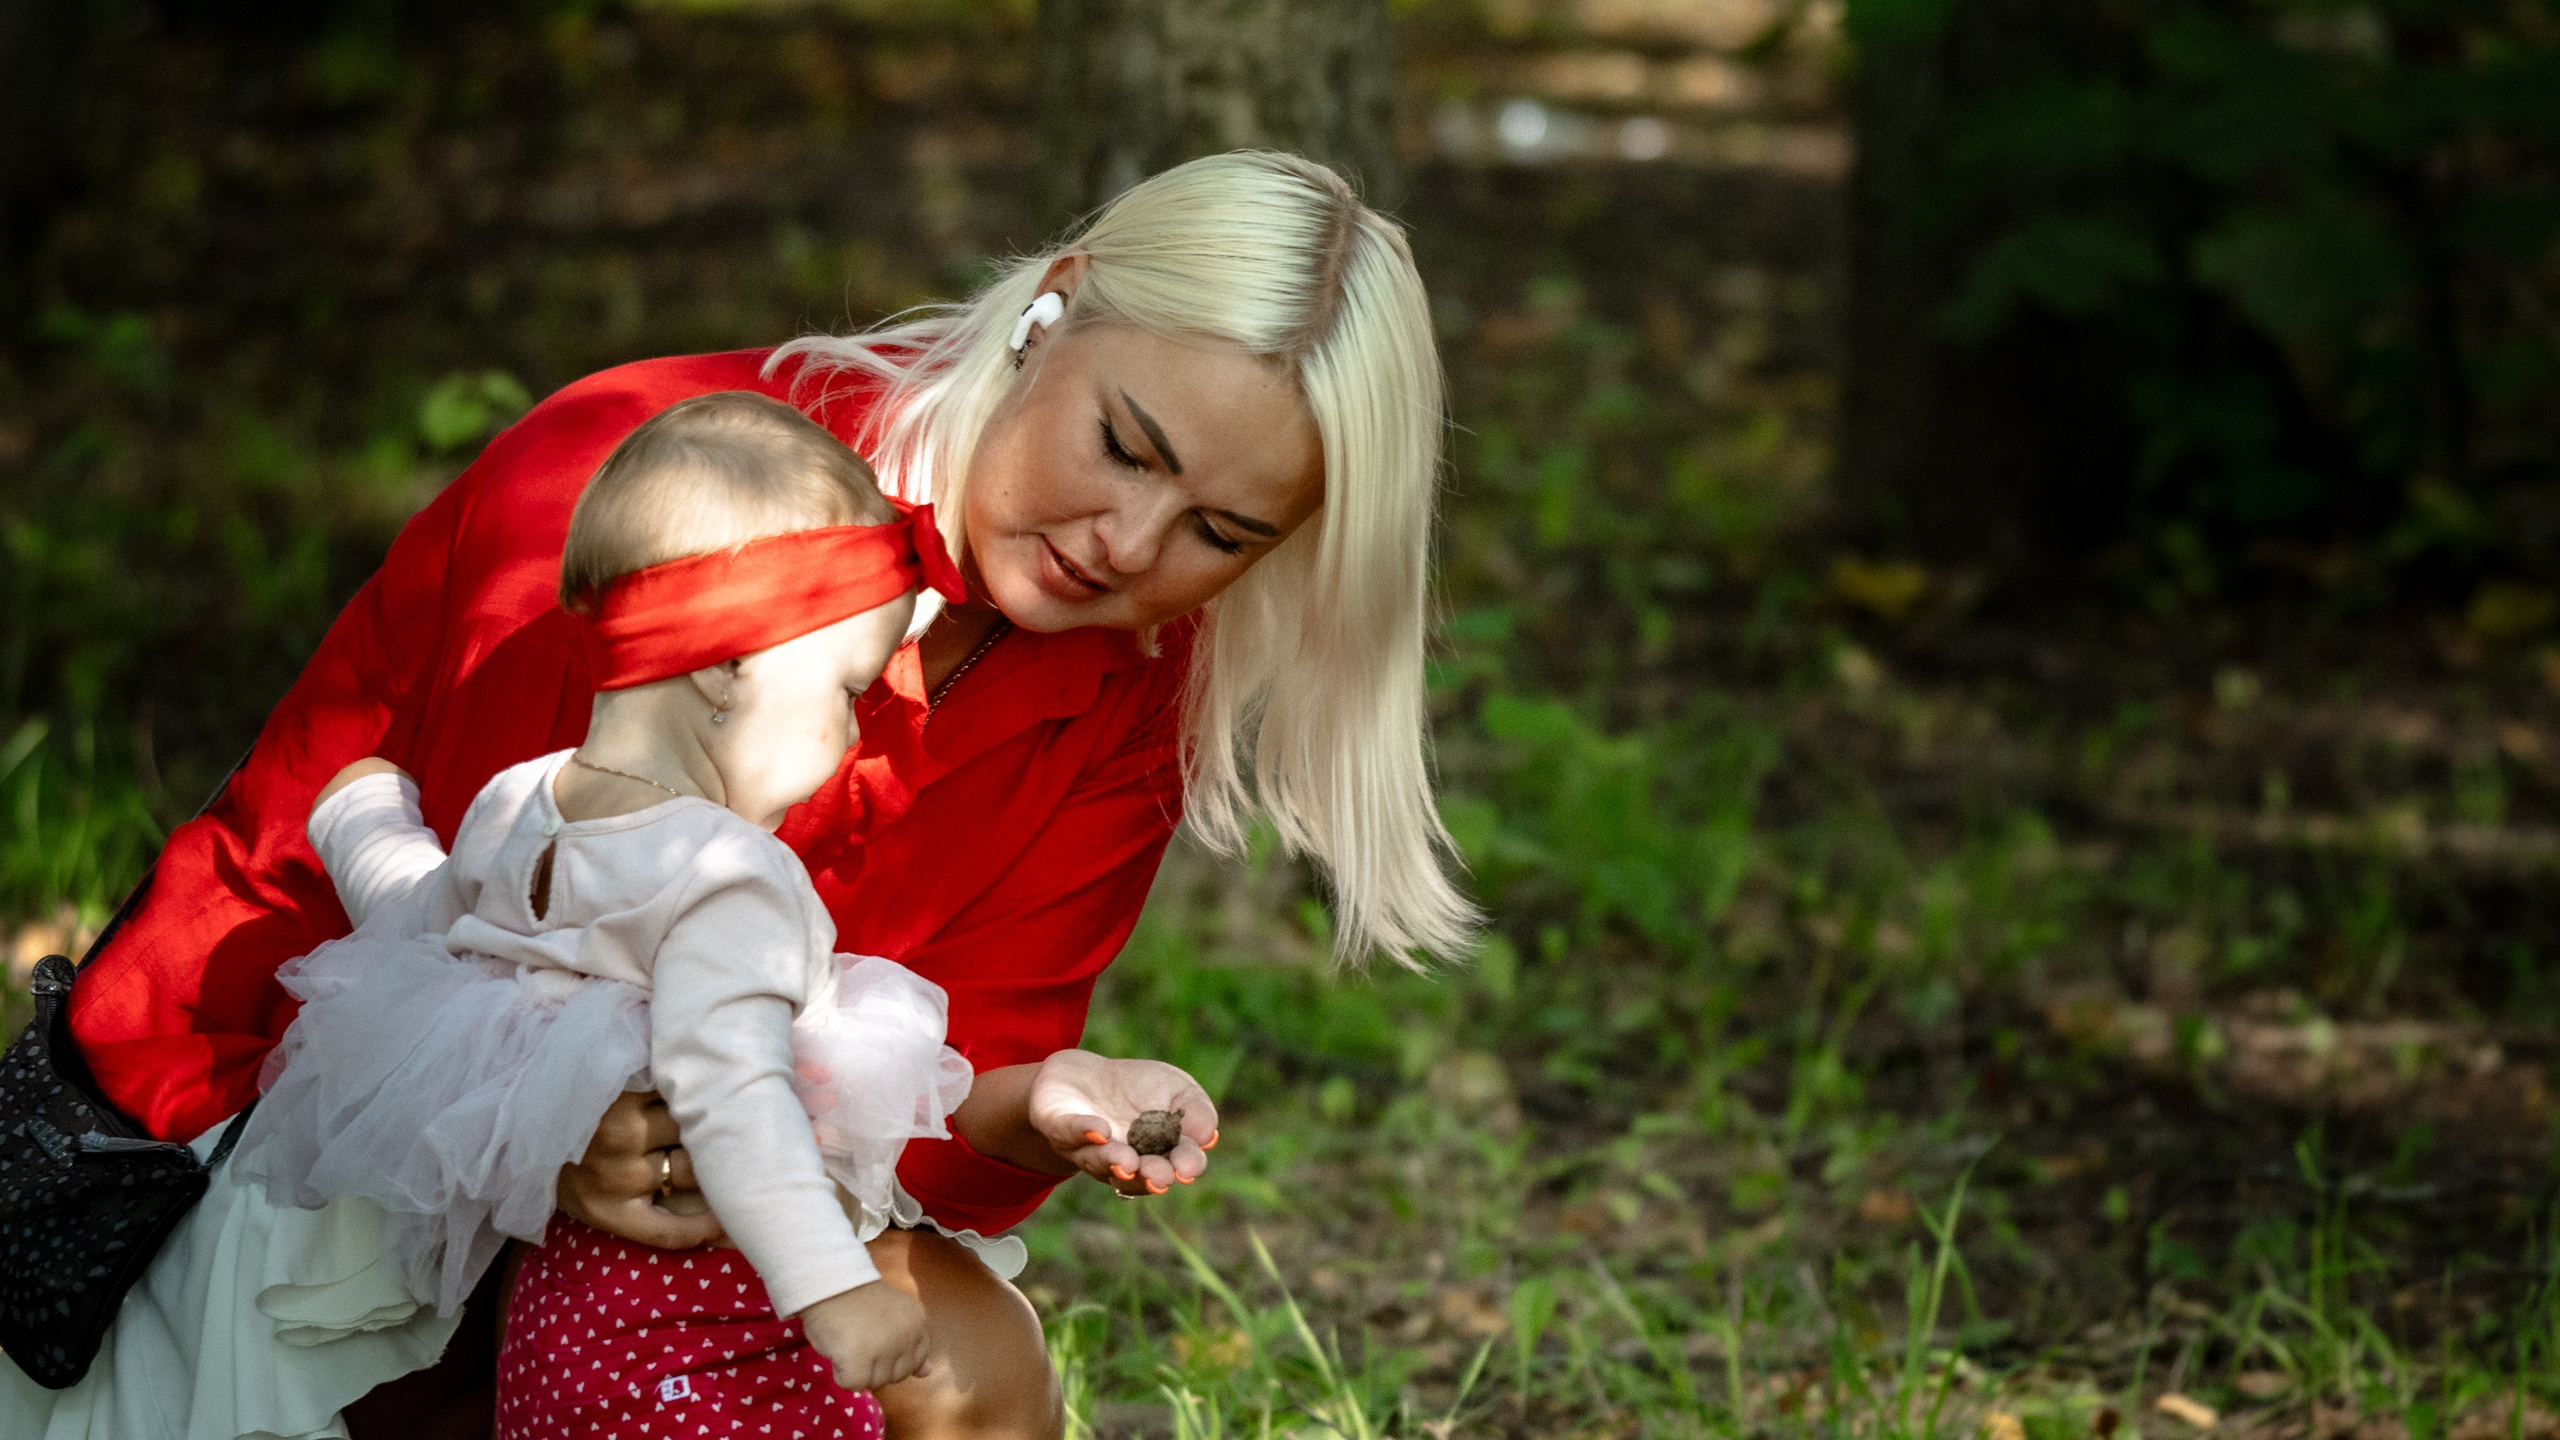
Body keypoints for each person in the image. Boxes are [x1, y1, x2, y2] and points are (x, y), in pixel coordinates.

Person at [11, 149, 1474, 1440]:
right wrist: (558, 1129)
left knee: (964, 1362)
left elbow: (920, 1130)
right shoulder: (676, 490)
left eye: (1220, 529)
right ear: (1056, 304)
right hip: (296, 1129)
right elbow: (430, 937)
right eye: (1124, 446)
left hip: (681, 1201)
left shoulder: (1135, 686)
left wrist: (1030, 1110)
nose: (1131, 543)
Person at [235, 391, 988, 1439]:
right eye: (847, 689)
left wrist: (361, 817)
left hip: (555, 1340)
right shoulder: (727, 873)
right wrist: (834, 1288)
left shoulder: (518, 804)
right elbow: (734, 1092)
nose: (856, 734)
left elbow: (416, 916)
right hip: (703, 1336)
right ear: (728, 665)